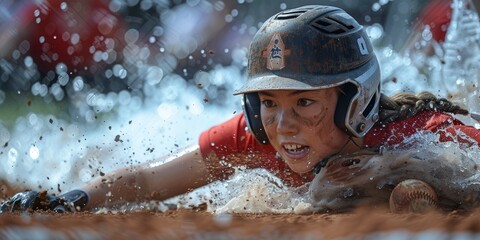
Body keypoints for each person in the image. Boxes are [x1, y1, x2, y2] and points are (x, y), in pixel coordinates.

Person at [1, 5, 479, 213]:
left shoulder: (426, 135)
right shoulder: (257, 138)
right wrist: (70, 198)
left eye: (305, 101)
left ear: (355, 102)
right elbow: (147, 181)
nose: (283, 124)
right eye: (267, 103)